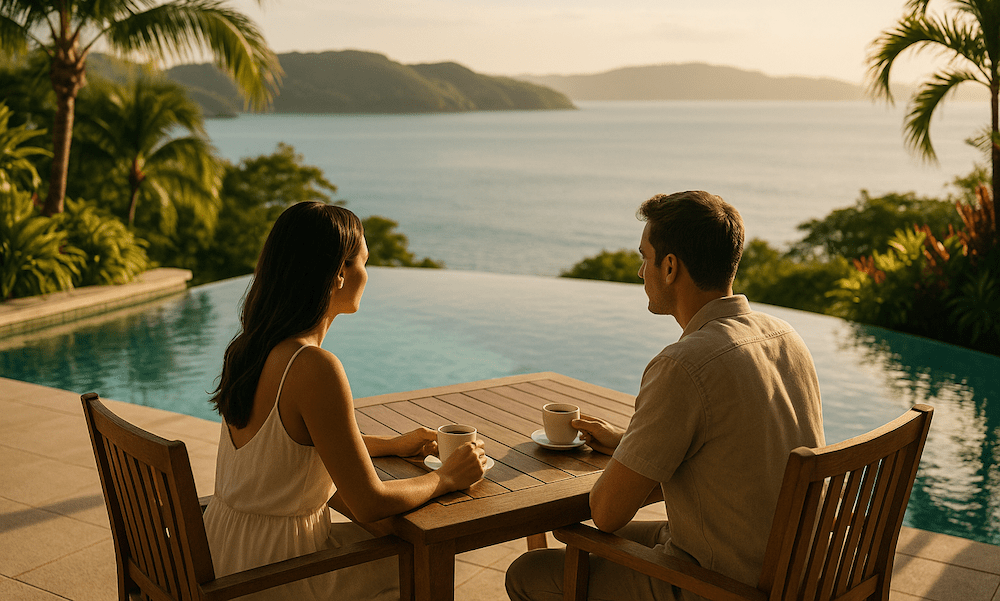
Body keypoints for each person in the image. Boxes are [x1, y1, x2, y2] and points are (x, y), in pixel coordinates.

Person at [506, 191, 825, 601]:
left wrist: (626, 466)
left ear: (670, 266)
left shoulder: (684, 365)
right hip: (790, 564)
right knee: (594, 538)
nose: (642, 272)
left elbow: (606, 513)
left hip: (722, 585)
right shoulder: (786, 336)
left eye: (645, 257)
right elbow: (736, 449)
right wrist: (628, 445)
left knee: (531, 571)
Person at [204, 201, 487, 601]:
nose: (367, 275)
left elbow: (291, 448)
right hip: (276, 574)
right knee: (415, 561)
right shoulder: (314, 366)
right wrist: (446, 477)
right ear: (339, 273)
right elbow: (369, 502)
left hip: (224, 553)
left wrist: (391, 444)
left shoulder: (250, 348)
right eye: (363, 263)